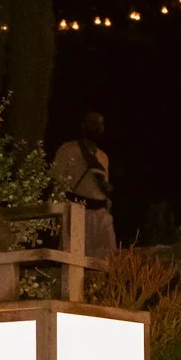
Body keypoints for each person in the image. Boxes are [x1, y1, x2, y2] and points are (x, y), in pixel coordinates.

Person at [49, 110, 116, 259]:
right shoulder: (68, 150)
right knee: (74, 259)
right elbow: (57, 184)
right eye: (93, 123)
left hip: (101, 217)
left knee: (106, 261)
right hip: (77, 212)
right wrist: (55, 220)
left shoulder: (103, 157)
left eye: (100, 124)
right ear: (83, 126)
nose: (98, 127)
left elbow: (103, 190)